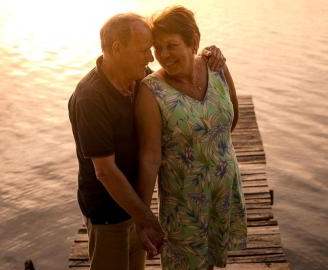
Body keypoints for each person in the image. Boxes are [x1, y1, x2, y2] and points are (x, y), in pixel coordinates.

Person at [68, 12, 225, 270]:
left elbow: (177, 75)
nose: (150, 58)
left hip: (136, 206)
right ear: (117, 49)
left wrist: (207, 56)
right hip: (109, 214)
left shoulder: (139, 78)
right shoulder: (90, 98)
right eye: (144, 50)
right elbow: (105, 172)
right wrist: (147, 219)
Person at [135, 6, 248, 270]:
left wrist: (208, 152)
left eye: (171, 45)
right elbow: (150, 159)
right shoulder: (151, 91)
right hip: (185, 204)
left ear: (193, 42)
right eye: (157, 47)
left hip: (223, 190)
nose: (162, 55)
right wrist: (143, 218)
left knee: (210, 263)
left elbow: (231, 118)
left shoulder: (216, 67)